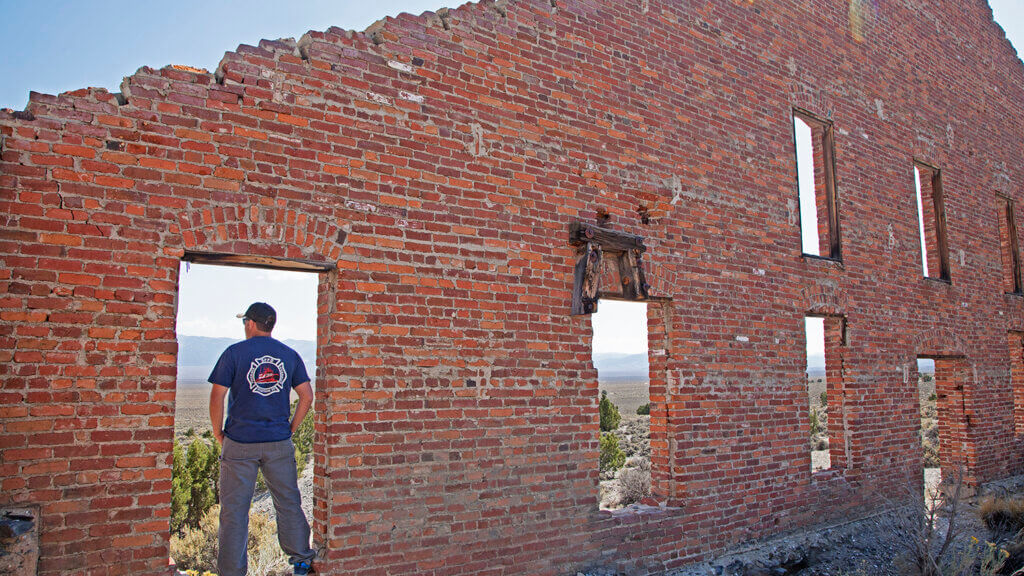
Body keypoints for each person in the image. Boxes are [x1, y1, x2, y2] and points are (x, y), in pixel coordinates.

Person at [208, 302, 316, 575]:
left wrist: (217, 431)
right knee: (288, 501)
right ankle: (302, 559)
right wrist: (291, 429)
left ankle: (232, 571)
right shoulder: (289, 355)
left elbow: (217, 395)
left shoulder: (234, 353)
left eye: (244, 322)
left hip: (239, 443)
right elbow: (307, 396)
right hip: (278, 442)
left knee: (234, 512)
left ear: (250, 323)